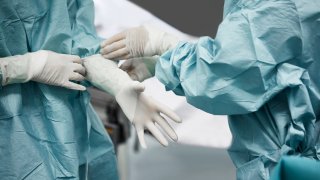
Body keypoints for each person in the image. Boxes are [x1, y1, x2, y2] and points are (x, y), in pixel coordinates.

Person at [100, 0, 320, 179]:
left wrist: (167, 48)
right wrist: (163, 61)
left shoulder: (278, 5)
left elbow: (223, 75)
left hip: (290, 161)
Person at [0, 0, 181, 179]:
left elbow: (76, 37)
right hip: (12, 140)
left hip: (69, 118)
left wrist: (118, 83)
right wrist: (20, 68)